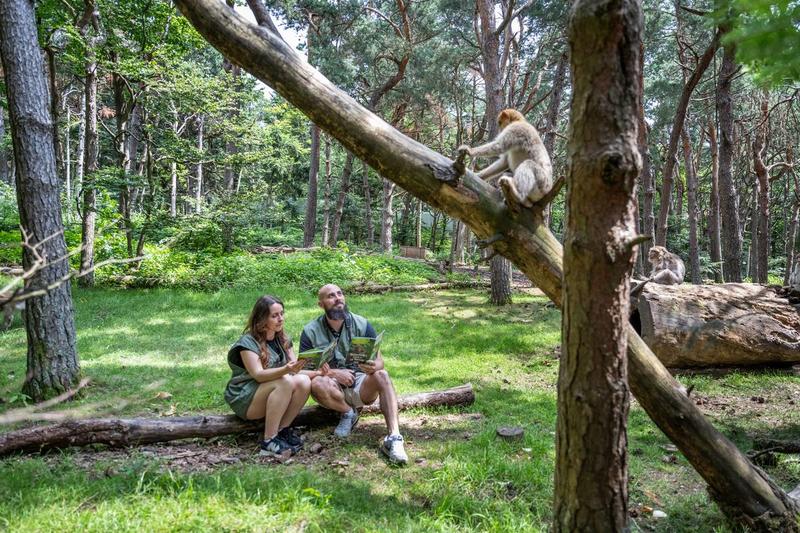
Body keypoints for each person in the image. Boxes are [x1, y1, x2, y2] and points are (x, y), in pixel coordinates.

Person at [300, 284, 408, 465]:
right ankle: (348, 413)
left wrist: (373, 366)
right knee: (317, 382)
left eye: (340, 294)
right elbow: (302, 370)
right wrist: (334, 373)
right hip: (331, 389)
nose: (337, 298)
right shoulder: (310, 331)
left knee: (383, 375)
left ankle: (394, 438)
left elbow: (380, 362)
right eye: (330, 296)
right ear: (321, 304)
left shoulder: (362, 323)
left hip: (361, 385)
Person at [224, 295, 317, 457]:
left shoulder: (284, 339)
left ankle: (282, 430)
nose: (280, 319)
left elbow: (295, 370)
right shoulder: (247, 342)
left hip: (270, 390)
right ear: (262, 319)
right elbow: (258, 375)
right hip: (245, 396)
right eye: (274, 316)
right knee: (285, 381)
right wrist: (286, 370)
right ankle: (268, 441)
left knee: (303, 381)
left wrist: (319, 372)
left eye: (282, 313)